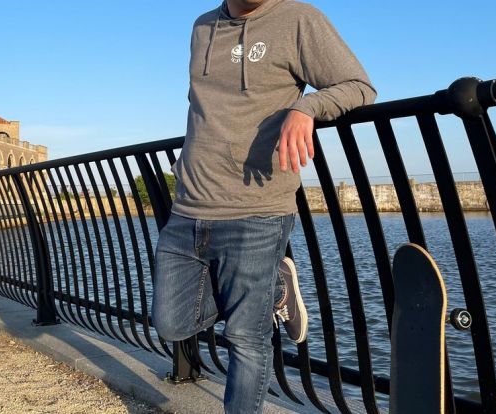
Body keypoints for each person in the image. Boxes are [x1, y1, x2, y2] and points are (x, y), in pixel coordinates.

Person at [152, 0, 376, 412]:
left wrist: (306, 108)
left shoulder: (299, 19)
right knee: (170, 322)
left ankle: (265, 290)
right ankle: (276, 287)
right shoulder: (202, 26)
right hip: (189, 205)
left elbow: (359, 86)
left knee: (246, 337)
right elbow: (204, 108)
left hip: (257, 210)